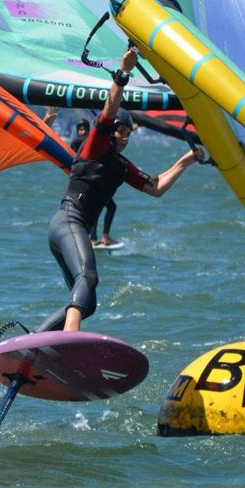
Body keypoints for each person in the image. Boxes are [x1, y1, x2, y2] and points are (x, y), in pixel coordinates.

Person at [39, 47, 204, 332]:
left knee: (86, 303)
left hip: (69, 227)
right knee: (87, 279)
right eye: (121, 133)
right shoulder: (96, 146)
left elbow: (156, 187)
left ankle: (36, 345)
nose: (125, 139)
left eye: (128, 134)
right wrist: (124, 72)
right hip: (68, 221)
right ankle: (70, 341)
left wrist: (187, 160)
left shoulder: (121, 165)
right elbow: (108, 112)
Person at [70, 118, 119, 247]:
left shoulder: (87, 141)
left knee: (107, 207)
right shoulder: (78, 141)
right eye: (80, 129)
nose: (83, 132)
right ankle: (95, 239)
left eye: (85, 129)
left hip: (96, 180)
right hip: (88, 182)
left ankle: (101, 237)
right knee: (101, 207)